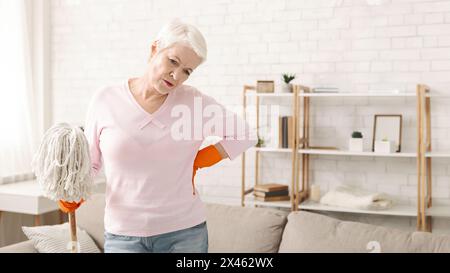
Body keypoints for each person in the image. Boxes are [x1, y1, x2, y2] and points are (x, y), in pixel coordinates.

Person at [71, 19, 256, 253]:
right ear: (154, 48)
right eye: (173, 61)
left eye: (187, 71)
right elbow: (92, 162)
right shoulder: (105, 100)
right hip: (123, 235)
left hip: (185, 234)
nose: (176, 75)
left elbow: (246, 134)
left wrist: (202, 159)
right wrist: (75, 192)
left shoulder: (194, 104)